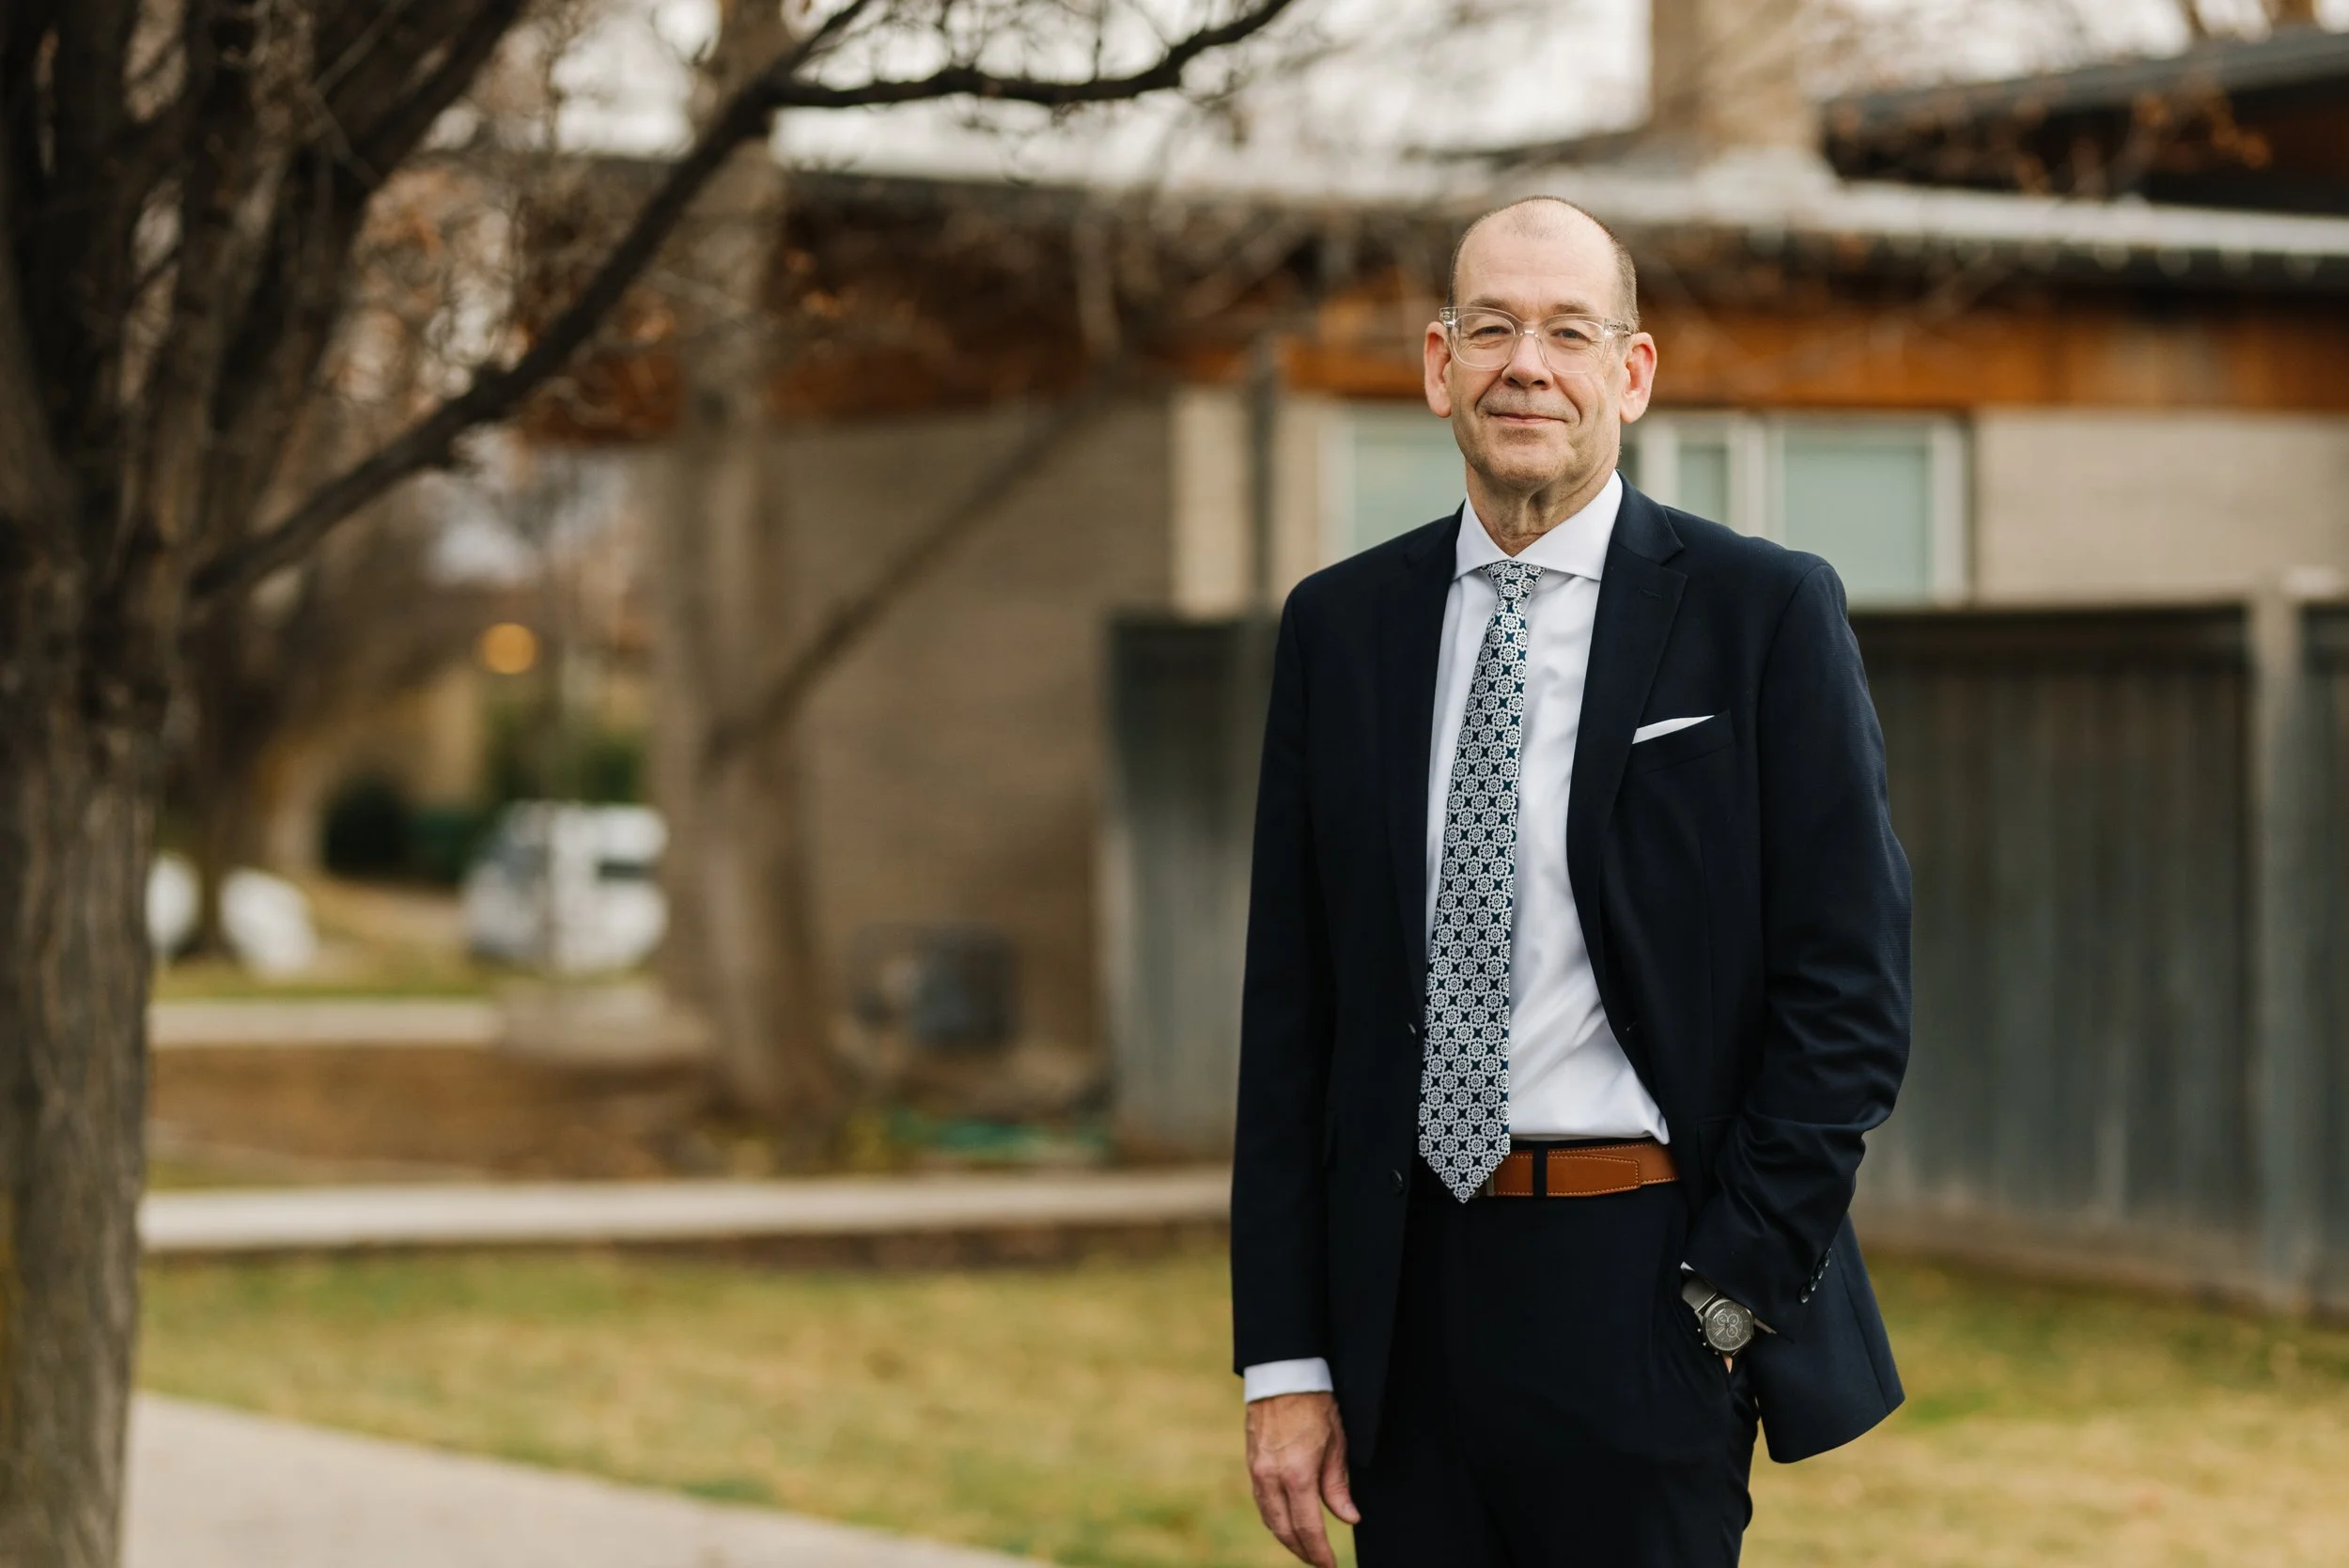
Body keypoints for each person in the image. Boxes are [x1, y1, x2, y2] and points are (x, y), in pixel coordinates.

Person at [1230, 196, 1912, 1568]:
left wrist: (1727, 1301)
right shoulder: (1340, 629)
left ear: (1632, 372)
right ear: (1437, 366)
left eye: (1566, 331)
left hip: (1642, 1289)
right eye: (1491, 327)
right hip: (1403, 1305)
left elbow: (1851, 994)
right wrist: (1286, 1362)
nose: (1524, 364)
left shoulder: (1760, 613)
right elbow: (1291, 1021)